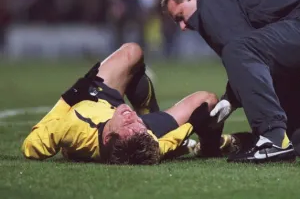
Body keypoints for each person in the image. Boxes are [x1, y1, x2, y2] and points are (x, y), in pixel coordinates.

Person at [161, 0, 300, 163]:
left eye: (180, 16)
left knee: (239, 49)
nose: (183, 27)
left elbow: (241, 51)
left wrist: (229, 100)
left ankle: (273, 139)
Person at [22, 43, 239, 164]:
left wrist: (69, 97)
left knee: (132, 55)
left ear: (109, 137)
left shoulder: (72, 128)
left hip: (90, 99)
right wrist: (192, 124)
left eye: (130, 122)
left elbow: (30, 146)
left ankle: (154, 113)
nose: (131, 115)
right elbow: (163, 144)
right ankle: (211, 147)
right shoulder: (142, 137)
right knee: (208, 101)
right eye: (136, 123)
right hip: (118, 118)